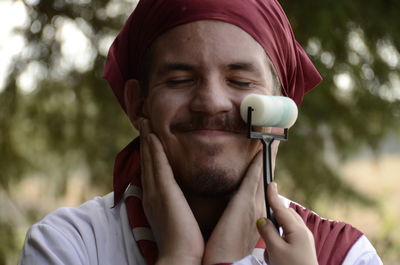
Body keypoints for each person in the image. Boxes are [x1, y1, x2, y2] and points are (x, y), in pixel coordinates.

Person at [19, 0, 383, 264]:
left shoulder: (344, 255)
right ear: (137, 103)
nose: (211, 102)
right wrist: (180, 257)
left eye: (240, 80)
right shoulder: (69, 246)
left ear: (281, 106)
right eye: (179, 80)